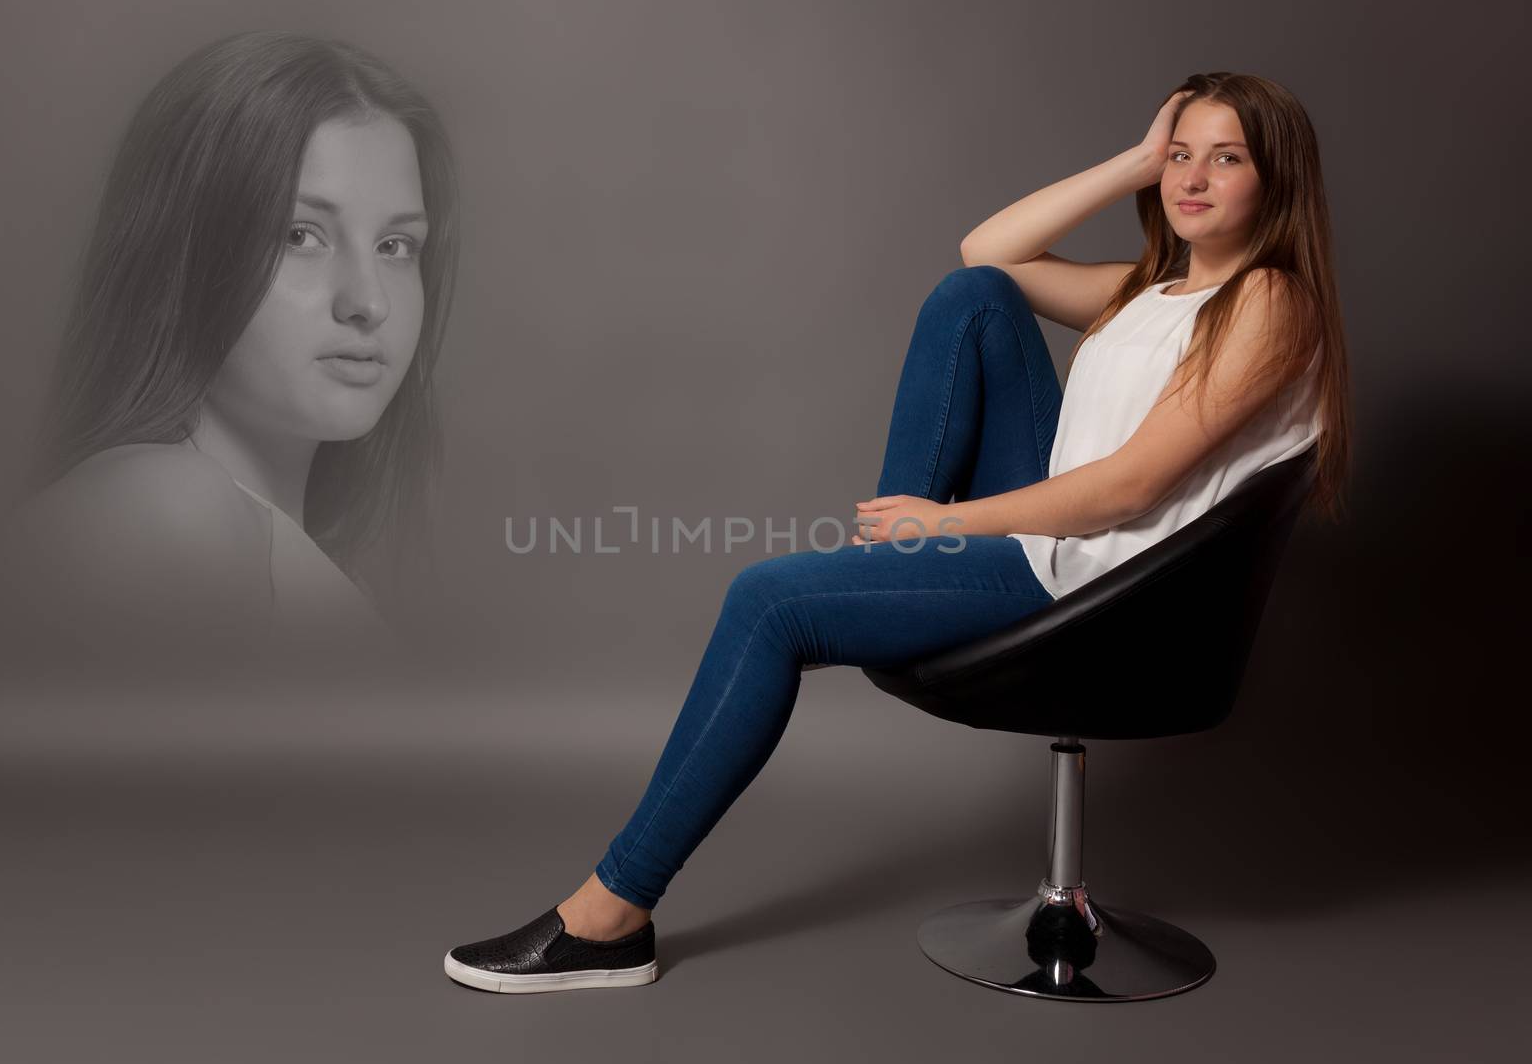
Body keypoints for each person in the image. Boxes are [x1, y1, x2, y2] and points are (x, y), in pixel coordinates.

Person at [443, 71, 1351, 993]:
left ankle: (611, 916)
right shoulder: (1146, 291)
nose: (1191, 179)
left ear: (1275, 180)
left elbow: (1131, 488)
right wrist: (1132, 163)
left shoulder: (1272, 300)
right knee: (974, 297)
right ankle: (894, 564)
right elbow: (988, 249)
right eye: (1180, 156)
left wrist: (946, 520)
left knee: (768, 602)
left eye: (1225, 159)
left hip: (1105, 592)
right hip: (1062, 550)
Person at [6, 31, 460, 664]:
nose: (370, 302)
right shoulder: (161, 513)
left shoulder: (276, 556)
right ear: (184, 252)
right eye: (301, 234)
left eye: (396, 246)